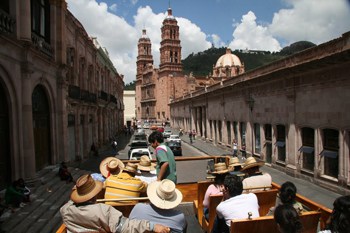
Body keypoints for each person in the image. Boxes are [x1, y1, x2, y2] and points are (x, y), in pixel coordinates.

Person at [60, 174, 171, 233]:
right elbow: (126, 227)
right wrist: (152, 226)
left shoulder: (65, 210)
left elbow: (70, 202)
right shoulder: (104, 211)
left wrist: (79, 190)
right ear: (94, 195)